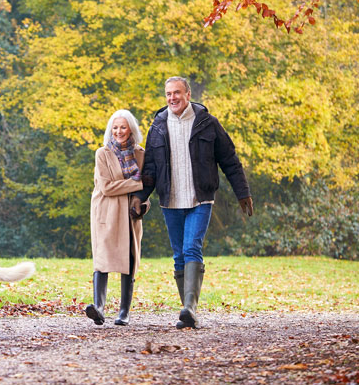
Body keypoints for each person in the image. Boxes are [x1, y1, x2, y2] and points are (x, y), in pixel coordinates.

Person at [140, 77, 253, 330]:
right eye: (168, 94)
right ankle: (187, 313)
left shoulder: (207, 124)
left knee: (192, 247)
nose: (172, 98)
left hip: (200, 198)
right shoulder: (158, 126)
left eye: (177, 93)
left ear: (188, 94)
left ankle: (190, 307)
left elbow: (230, 159)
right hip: (170, 200)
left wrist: (242, 192)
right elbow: (150, 168)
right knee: (179, 255)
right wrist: (141, 197)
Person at [87, 110, 151, 326]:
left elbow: (147, 191)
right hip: (106, 211)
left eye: (123, 127)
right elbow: (106, 187)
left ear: (131, 129)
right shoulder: (102, 154)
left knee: (129, 259)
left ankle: (124, 312)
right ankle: (99, 308)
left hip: (130, 214)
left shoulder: (142, 154)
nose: (119, 131)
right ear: (110, 130)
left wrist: (143, 203)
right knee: (102, 259)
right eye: (115, 127)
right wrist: (139, 183)